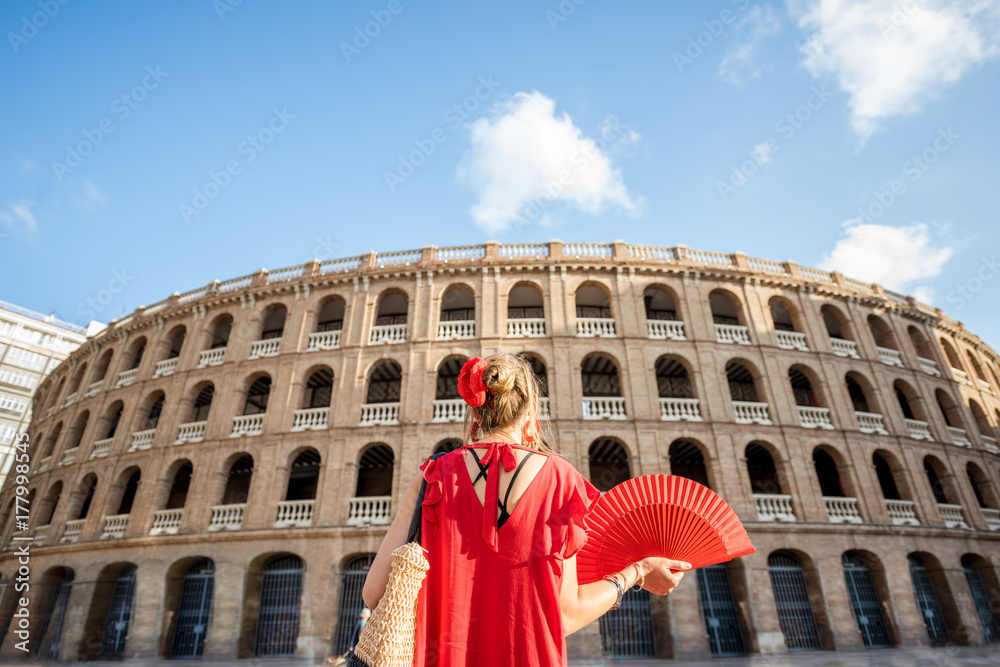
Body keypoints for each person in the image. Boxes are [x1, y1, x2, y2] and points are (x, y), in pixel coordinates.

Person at [362, 354, 689, 666]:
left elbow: (374, 593)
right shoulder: (561, 480)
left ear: (475, 412)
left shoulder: (431, 477)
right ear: (532, 408)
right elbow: (566, 615)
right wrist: (637, 572)